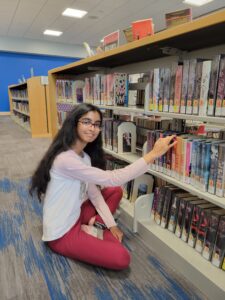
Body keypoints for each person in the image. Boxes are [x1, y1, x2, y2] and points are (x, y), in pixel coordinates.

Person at [29, 103, 176, 270]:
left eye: (97, 124)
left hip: (75, 214)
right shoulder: (65, 160)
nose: (92, 128)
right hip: (62, 232)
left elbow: (94, 193)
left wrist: (111, 224)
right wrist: (153, 154)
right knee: (122, 258)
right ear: (74, 123)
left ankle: (95, 225)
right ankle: (93, 231)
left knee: (114, 192)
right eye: (86, 122)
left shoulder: (83, 156)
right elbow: (112, 178)